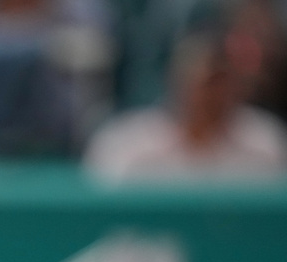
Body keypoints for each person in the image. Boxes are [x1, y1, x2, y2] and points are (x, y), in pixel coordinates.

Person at [83, 28, 287, 181]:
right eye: (205, 83)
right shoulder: (123, 144)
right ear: (176, 80)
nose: (211, 95)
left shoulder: (266, 142)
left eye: (222, 82)